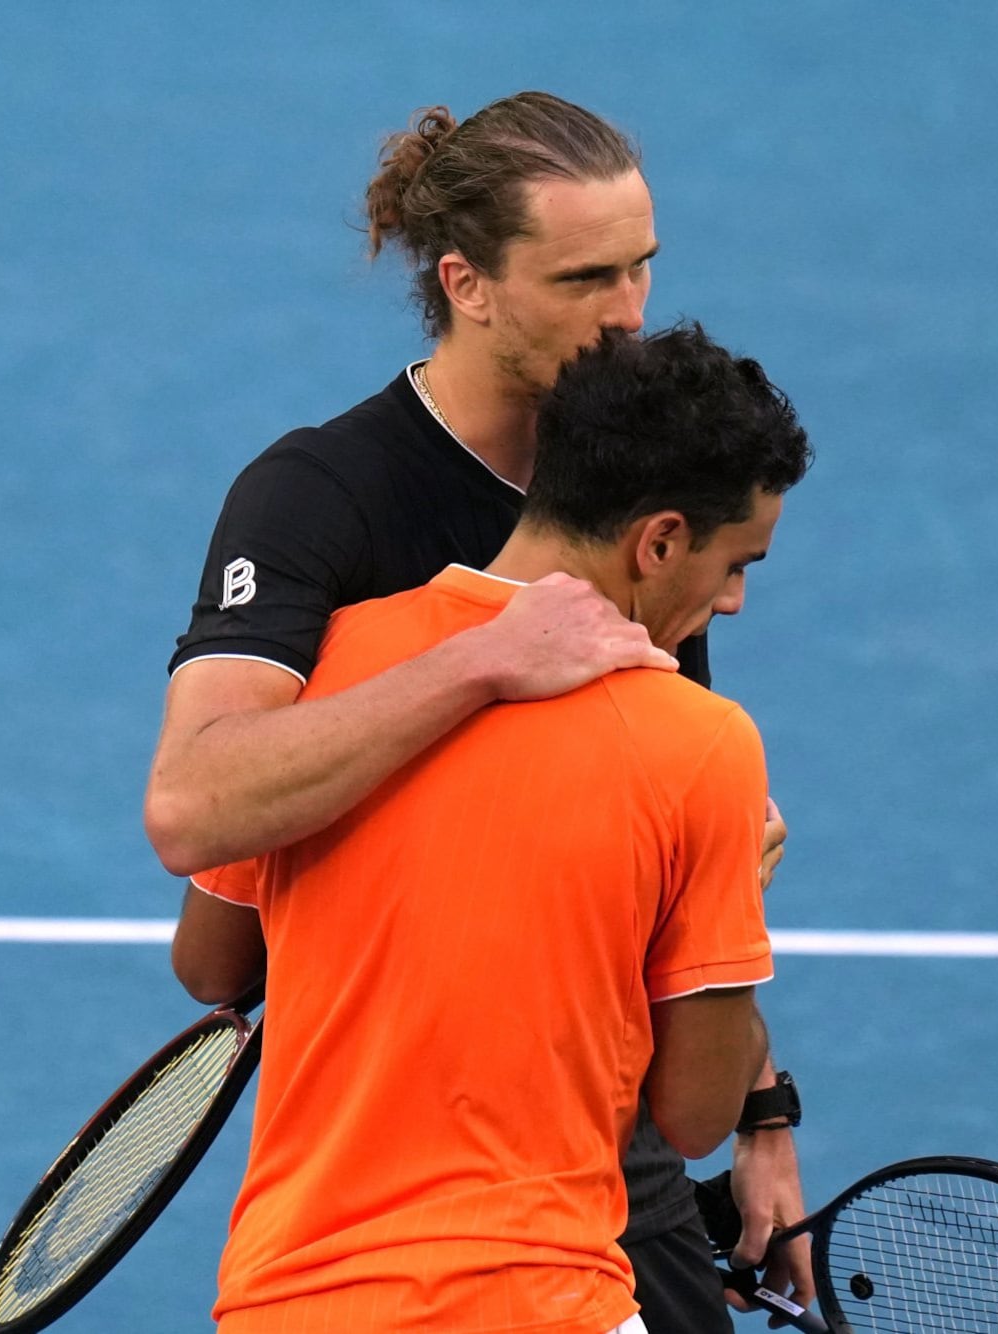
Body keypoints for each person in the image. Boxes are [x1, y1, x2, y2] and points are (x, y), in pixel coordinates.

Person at [145, 92, 814, 1329]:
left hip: (590, 1124)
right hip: (391, 1112)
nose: (624, 317)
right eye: (583, 278)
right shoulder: (320, 498)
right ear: (467, 281)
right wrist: (481, 663)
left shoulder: (635, 472)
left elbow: (674, 848)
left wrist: (763, 1115)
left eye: (640, 270)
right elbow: (194, 806)